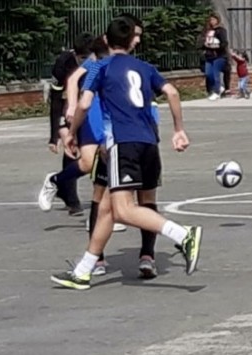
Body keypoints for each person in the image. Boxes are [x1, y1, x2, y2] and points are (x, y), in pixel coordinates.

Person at [51, 16, 203, 290]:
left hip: (123, 143)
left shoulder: (100, 67)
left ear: (106, 41)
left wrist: (71, 131)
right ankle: (83, 270)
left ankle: (182, 234)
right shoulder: (145, 67)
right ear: (133, 41)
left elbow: (84, 103)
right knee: (108, 208)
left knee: (122, 210)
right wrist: (179, 129)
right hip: (148, 142)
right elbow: (172, 92)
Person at [43, 33, 95, 216]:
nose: (84, 62)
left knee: (88, 156)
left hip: (91, 107)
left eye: (87, 58)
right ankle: (71, 198)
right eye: (81, 59)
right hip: (71, 109)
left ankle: (62, 186)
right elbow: (56, 100)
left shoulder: (99, 60)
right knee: (74, 151)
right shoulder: (63, 63)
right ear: (76, 55)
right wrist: (55, 134)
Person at [201, 13, 229, 101]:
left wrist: (217, 47)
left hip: (219, 55)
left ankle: (217, 92)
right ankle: (219, 87)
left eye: (214, 19)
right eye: (211, 20)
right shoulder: (208, 31)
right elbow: (204, 41)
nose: (212, 21)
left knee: (216, 73)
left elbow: (224, 42)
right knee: (209, 74)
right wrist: (205, 46)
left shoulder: (221, 30)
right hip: (209, 55)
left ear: (217, 20)